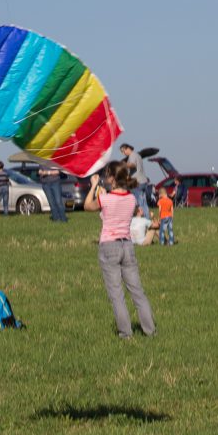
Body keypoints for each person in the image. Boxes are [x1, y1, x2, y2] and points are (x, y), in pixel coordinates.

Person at [84, 161, 156, 339]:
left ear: (112, 179)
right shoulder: (131, 198)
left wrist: (94, 186)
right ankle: (150, 331)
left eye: (106, 175)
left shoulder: (105, 199)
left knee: (117, 295)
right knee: (137, 292)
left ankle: (126, 333)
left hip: (109, 246)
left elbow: (87, 206)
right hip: (127, 246)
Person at [118, 143, 150, 215]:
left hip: (137, 182)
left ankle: (140, 218)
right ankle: (146, 218)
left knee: (138, 202)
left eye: (123, 151)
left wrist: (123, 164)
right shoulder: (137, 155)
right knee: (144, 203)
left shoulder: (132, 156)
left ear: (128, 148)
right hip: (143, 181)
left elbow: (133, 165)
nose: (123, 153)